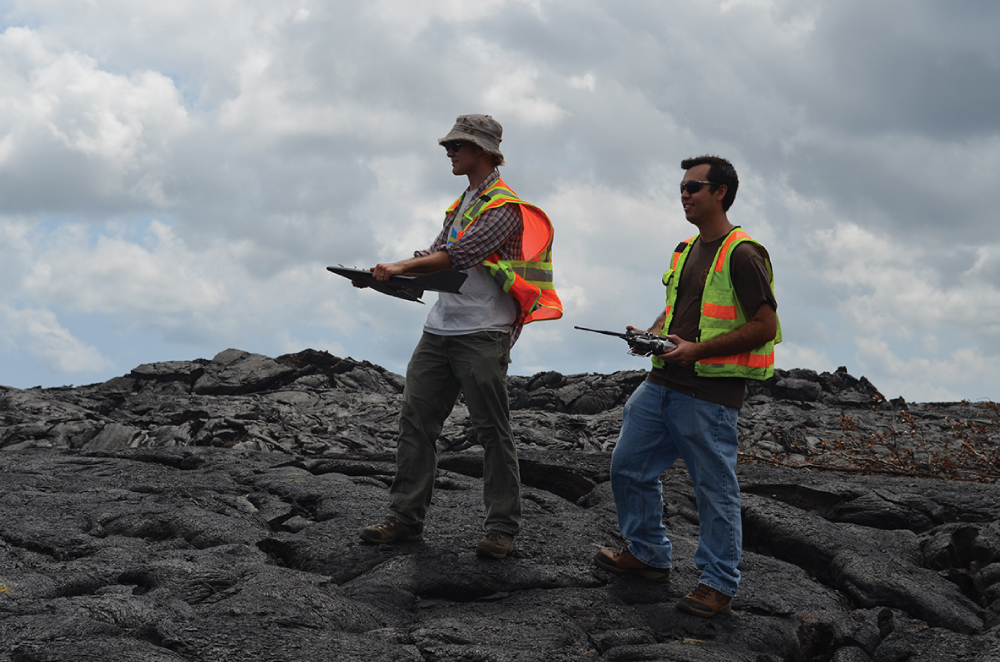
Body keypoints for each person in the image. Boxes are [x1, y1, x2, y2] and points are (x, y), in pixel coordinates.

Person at [359, 114, 562, 559]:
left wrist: (399, 267)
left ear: (483, 151)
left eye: (456, 147)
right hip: (441, 328)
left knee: (492, 431)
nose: (449, 153)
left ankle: (501, 529)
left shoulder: (504, 207)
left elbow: (459, 254)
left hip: (483, 332)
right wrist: (382, 277)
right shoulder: (464, 202)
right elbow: (434, 254)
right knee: (415, 423)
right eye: (449, 147)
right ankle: (405, 519)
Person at [593, 155, 780, 617]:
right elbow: (674, 309)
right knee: (628, 467)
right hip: (661, 382)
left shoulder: (743, 252)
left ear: (720, 192)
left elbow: (766, 325)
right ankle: (648, 554)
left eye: (694, 187)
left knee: (714, 489)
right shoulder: (685, 248)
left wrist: (696, 350)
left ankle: (718, 583)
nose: (684, 195)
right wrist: (652, 335)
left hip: (710, 394)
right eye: (682, 187)